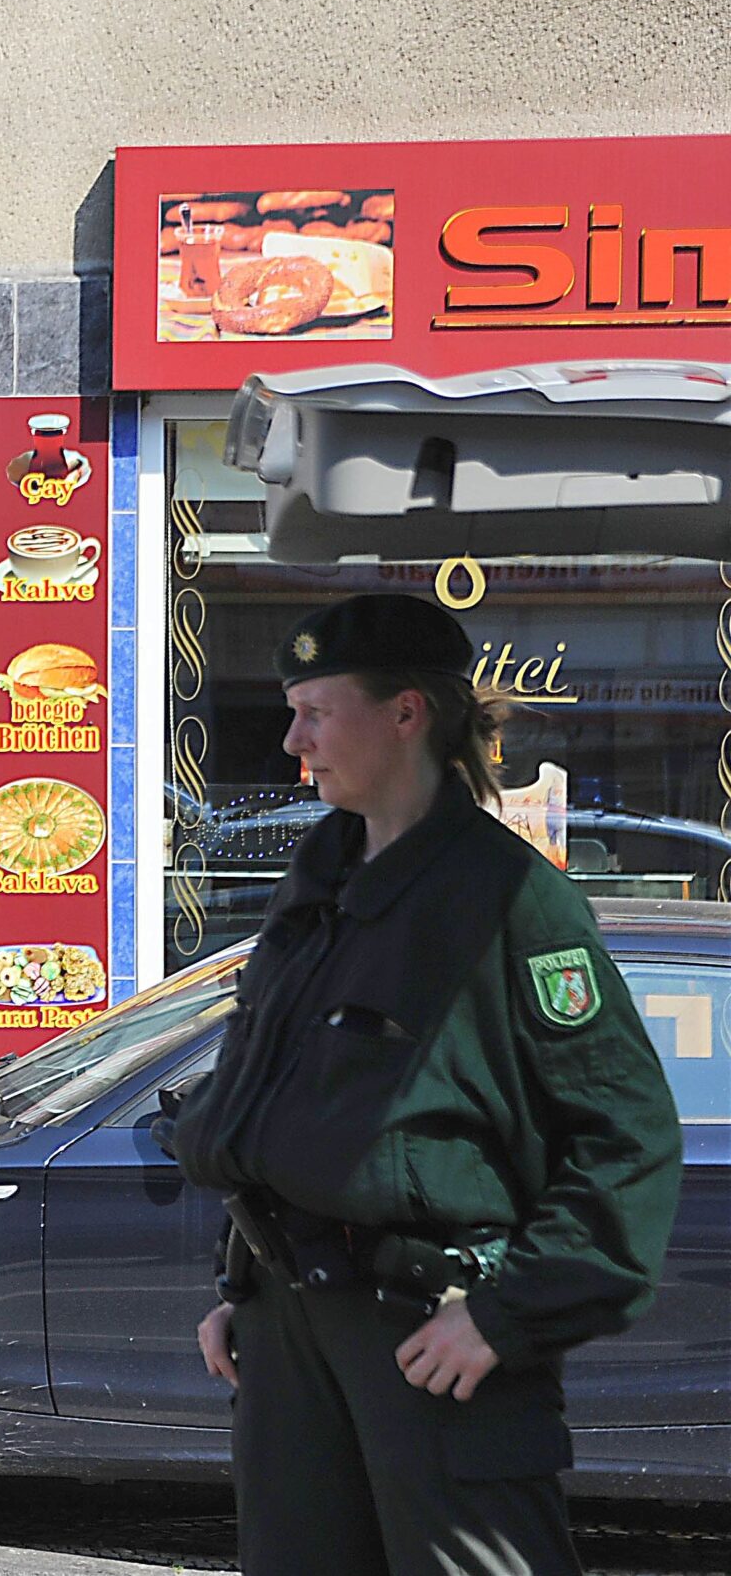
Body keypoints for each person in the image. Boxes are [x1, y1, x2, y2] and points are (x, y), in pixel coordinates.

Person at [161, 594, 682, 1576]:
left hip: (428, 1331)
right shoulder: (319, 882)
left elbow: (625, 1134)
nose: (291, 740)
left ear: (405, 713)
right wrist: (249, 1284)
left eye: (315, 710)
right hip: (289, 1321)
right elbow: (289, 1102)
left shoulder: (504, 896)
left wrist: (507, 1312)